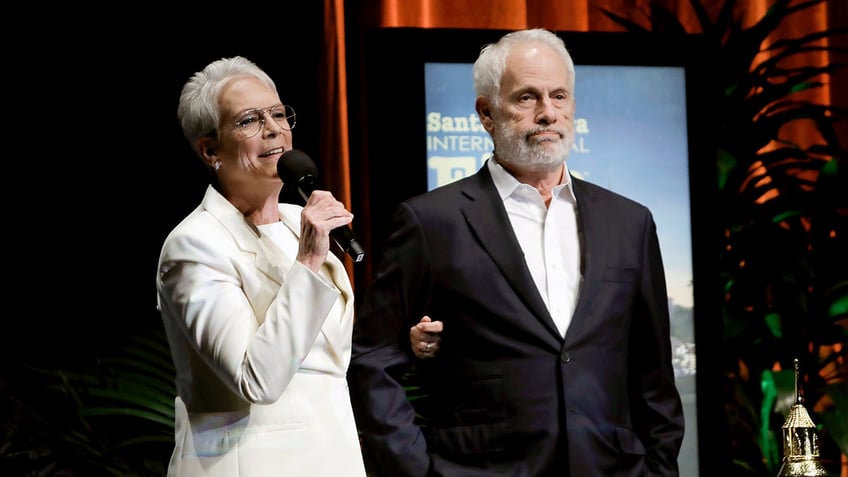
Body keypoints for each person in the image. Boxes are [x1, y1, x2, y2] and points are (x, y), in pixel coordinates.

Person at [348, 28, 685, 476]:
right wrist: (416, 469)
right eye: (527, 97)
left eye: (559, 96)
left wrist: (659, 467)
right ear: (487, 113)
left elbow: (654, 372)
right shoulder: (431, 221)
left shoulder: (630, 222)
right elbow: (375, 358)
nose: (548, 113)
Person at [156, 56, 367, 476]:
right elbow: (256, 379)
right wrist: (307, 260)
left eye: (277, 113)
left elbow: (328, 363)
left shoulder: (295, 220)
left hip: (332, 455)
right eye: (248, 120)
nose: (273, 129)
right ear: (210, 149)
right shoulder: (195, 245)